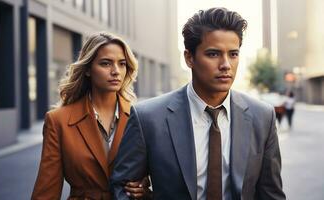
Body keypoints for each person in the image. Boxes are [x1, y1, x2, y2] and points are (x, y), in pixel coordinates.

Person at [111, 7, 286, 200]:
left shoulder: (262, 116)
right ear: (189, 58)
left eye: (233, 54)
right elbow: (122, 188)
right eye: (213, 54)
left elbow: (271, 193)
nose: (226, 64)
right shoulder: (148, 118)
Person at [32, 32, 151, 200]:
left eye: (122, 64)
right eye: (105, 63)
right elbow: (46, 191)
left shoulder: (143, 116)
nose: (116, 71)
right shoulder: (58, 121)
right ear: (88, 69)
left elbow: (163, 180)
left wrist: (145, 189)